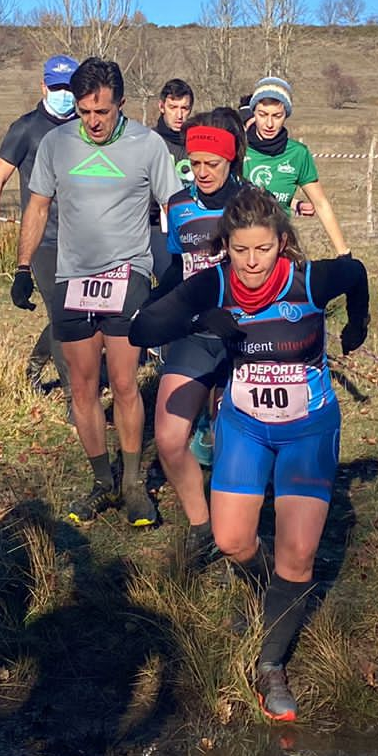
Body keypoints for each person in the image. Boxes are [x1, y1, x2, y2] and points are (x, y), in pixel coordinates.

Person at [129, 187, 369, 722]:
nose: (253, 263)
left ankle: (271, 665)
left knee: (299, 556)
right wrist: (200, 321)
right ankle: (276, 591)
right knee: (232, 540)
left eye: (263, 250)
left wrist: (358, 324)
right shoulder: (213, 283)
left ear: (281, 243)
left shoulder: (309, 280)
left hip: (308, 429)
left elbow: (355, 273)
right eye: (241, 251)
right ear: (226, 248)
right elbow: (144, 326)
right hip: (245, 427)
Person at [11, 57, 188, 528]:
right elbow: (38, 205)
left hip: (126, 275)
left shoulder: (148, 145)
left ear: (121, 105)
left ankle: (132, 483)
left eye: (101, 113)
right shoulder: (57, 143)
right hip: (72, 278)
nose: (91, 122)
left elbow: (176, 204)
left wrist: (183, 261)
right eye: (85, 112)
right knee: (85, 386)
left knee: (126, 382)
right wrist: (23, 265)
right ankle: (101, 481)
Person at [150, 107, 248, 564]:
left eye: (213, 163)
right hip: (193, 335)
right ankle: (201, 527)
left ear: (231, 162)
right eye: (195, 163)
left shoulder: (251, 206)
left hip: (243, 337)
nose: (203, 172)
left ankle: (242, 535)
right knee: (170, 438)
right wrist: (154, 306)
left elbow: (278, 269)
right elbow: (177, 268)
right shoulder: (180, 206)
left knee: (234, 444)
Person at [0, 55, 79, 398]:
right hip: (43, 240)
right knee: (63, 314)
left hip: (82, 240)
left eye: (69, 88)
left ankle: (34, 364)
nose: (64, 94)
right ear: (44, 86)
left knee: (78, 313)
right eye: (58, 87)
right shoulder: (26, 128)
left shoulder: (84, 126)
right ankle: (75, 399)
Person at [241, 78, 351, 257]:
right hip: (242, 248)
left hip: (279, 246)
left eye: (277, 116)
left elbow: (321, 203)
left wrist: (343, 252)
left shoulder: (298, 154)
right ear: (253, 112)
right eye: (263, 114)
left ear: (286, 114)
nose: (269, 124)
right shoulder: (238, 148)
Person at [148, 78, 195, 285]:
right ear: (161, 107)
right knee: (172, 283)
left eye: (184, 108)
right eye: (173, 107)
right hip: (157, 226)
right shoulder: (149, 141)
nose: (179, 114)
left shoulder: (196, 142)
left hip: (193, 221)